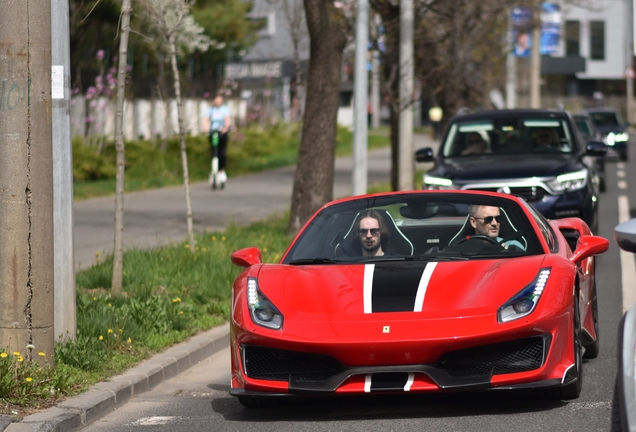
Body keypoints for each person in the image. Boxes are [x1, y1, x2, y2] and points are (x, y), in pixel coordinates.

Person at [203, 95, 231, 188]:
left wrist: (225, 128)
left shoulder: (224, 109)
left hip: (222, 133)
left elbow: (227, 120)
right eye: (216, 100)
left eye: (220, 100)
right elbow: (206, 120)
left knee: (222, 153)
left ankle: (222, 171)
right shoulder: (211, 110)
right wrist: (205, 129)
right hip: (213, 133)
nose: (218, 102)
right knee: (213, 152)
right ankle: (213, 171)